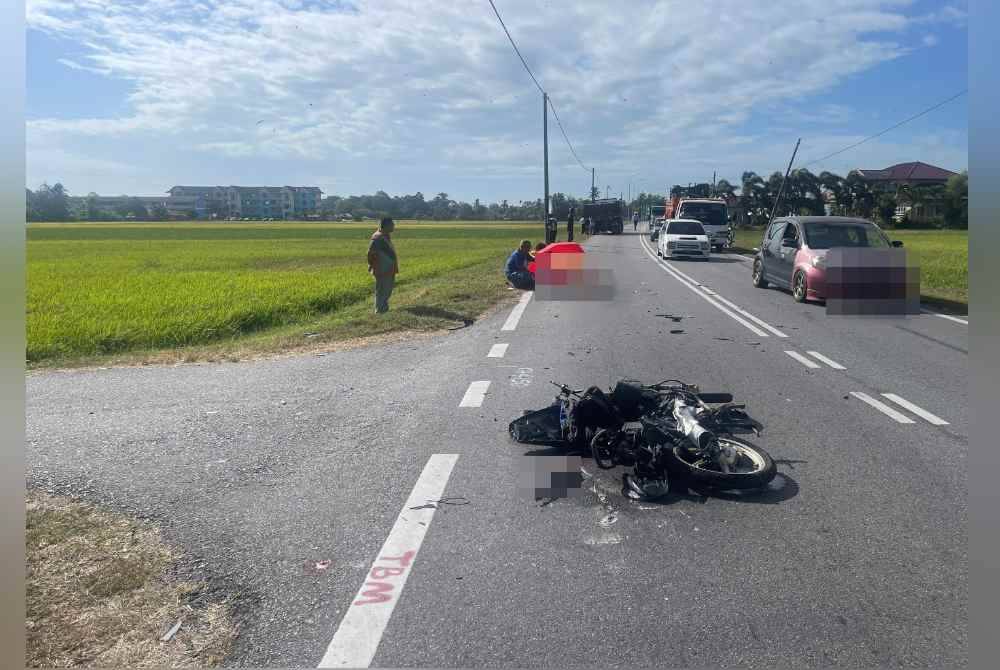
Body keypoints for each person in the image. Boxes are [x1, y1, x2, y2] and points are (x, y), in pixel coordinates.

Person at [367, 217, 399, 313]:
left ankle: (383, 309)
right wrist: (373, 265)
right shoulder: (378, 238)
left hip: (388, 269)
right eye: (392, 224)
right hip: (382, 270)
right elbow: (370, 253)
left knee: (386, 290)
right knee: (382, 291)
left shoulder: (385, 236)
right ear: (386, 226)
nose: (394, 226)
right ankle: (380, 311)